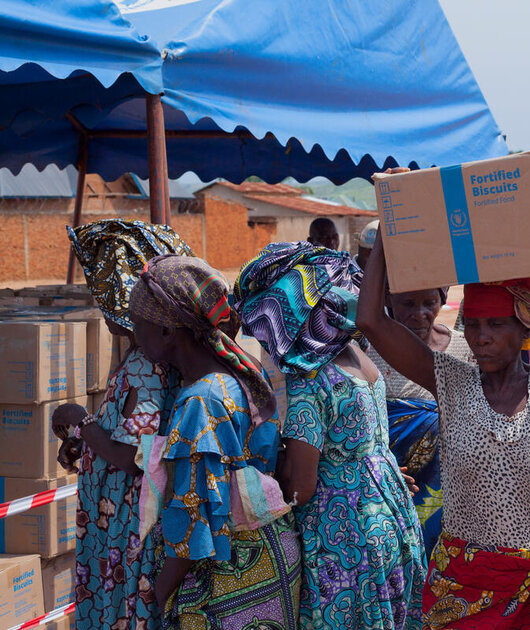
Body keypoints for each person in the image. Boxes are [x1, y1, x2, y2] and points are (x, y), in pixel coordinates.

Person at [357, 142, 530, 629]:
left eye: (495, 325)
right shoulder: (450, 381)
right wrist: (389, 229)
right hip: (463, 590)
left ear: (527, 327)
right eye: (472, 326)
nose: (479, 338)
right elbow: (370, 319)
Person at [231, 241, 426, 630]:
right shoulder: (361, 358)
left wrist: (260, 482)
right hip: (391, 522)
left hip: (344, 540)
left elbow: (302, 486)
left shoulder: (311, 379)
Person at [128, 255, 301, 629]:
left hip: (228, 578)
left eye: (138, 324)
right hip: (266, 558)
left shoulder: (200, 402)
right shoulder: (237, 375)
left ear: (167, 332)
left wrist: (158, 594)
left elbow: (193, 525)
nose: (133, 334)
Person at [52, 219, 192, 630]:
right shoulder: (142, 355)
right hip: (119, 520)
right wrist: (90, 438)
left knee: (123, 613)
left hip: (128, 527)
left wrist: (82, 425)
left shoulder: (147, 366)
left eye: (104, 293)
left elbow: (136, 457)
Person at [365, 286, 474, 557]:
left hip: (449, 488)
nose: (419, 314)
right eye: (408, 303)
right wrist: (383, 469)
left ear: (444, 300)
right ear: (388, 299)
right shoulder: (369, 350)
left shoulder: (463, 348)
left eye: (429, 303)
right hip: (389, 484)